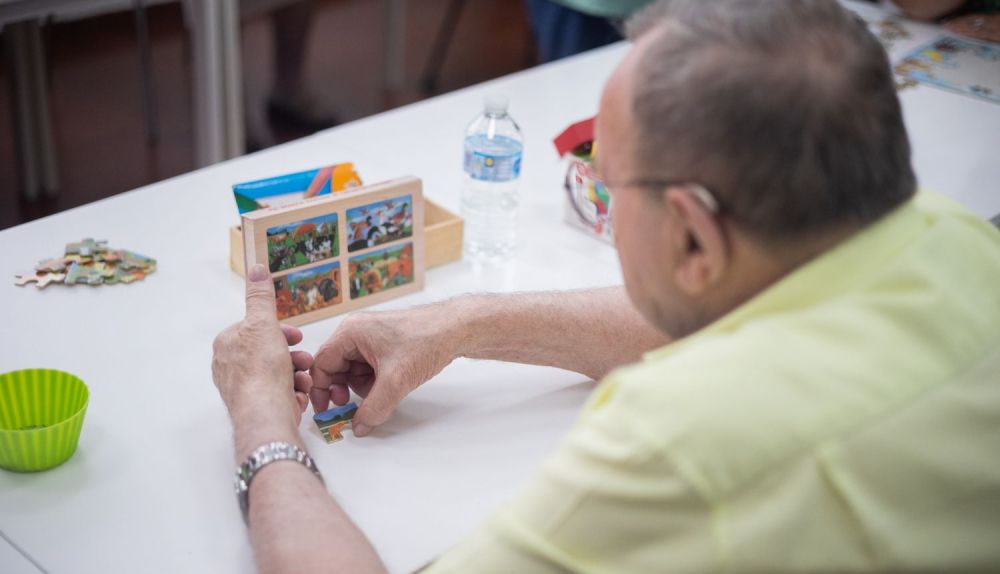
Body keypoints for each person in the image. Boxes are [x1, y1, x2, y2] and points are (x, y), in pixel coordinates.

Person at [211, 0, 1000, 571]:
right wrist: (464, 321)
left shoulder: (676, 439)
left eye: (609, 181)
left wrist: (260, 422)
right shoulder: (955, 235)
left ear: (693, 232)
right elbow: (718, 318)